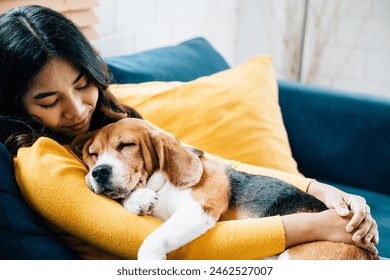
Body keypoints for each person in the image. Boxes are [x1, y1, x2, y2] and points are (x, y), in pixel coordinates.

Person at [0, 5, 379, 259]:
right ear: (16, 103)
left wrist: (323, 192)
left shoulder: (114, 124)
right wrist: (317, 225)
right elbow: (157, 246)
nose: (77, 108)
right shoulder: (41, 161)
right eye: (49, 102)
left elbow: (212, 164)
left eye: (83, 84)